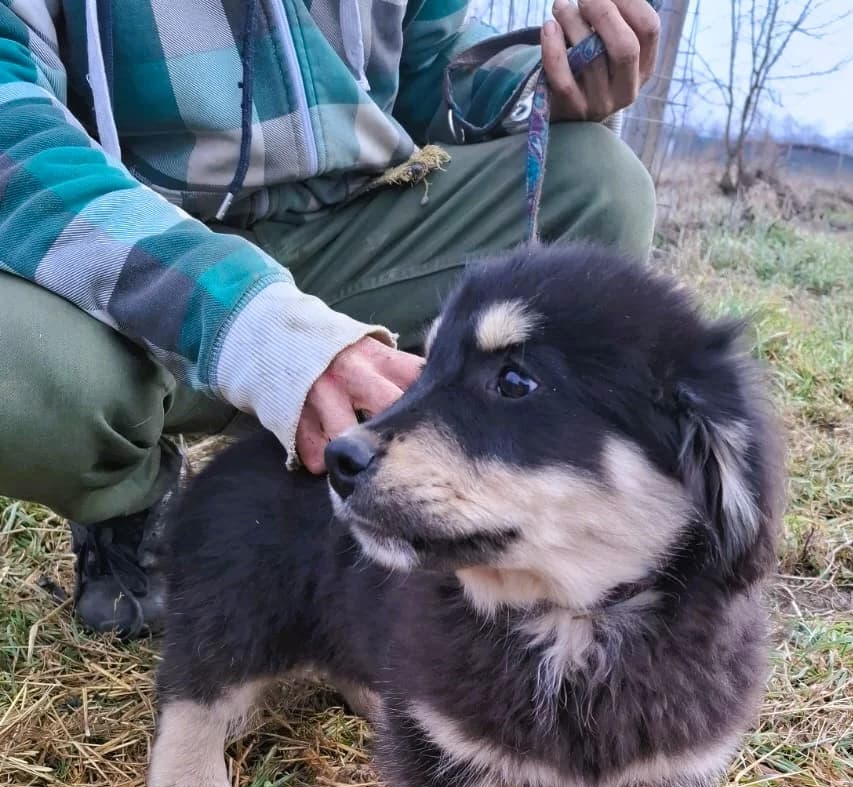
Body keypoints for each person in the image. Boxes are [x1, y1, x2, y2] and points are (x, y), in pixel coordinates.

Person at [0, 0, 659, 638]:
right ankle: (129, 500)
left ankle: (464, 515)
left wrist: (541, 81)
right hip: (128, 250)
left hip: (350, 228)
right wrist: (253, 325)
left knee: (601, 189)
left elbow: (434, 70)